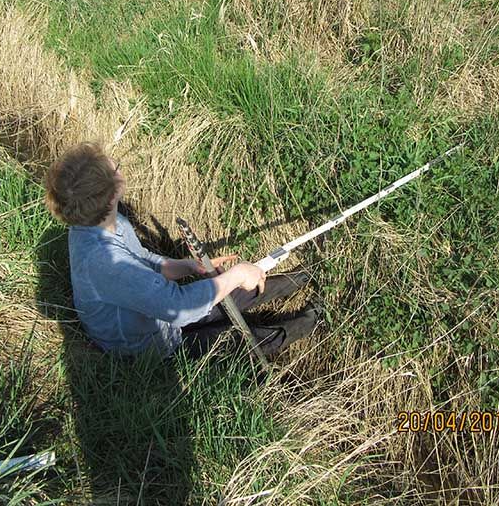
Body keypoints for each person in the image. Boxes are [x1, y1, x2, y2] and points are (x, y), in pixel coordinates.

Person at [43, 141, 319, 359]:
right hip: (142, 345)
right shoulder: (105, 262)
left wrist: (187, 266)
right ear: (112, 193)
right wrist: (235, 275)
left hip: (154, 314)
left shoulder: (103, 220)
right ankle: (313, 319)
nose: (120, 169)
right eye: (117, 169)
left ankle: (305, 276)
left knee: (235, 291)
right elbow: (179, 308)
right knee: (239, 338)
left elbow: (144, 260)